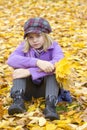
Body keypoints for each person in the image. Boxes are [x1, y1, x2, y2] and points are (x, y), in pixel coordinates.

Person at [7, 17, 64, 120]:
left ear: (46, 35)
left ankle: (50, 106)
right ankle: (18, 101)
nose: (34, 40)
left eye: (38, 36)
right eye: (30, 37)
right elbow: (11, 60)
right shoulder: (24, 46)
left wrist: (30, 71)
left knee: (53, 73)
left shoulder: (54, 47)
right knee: (18, 69)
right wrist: (37, 62)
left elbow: (59, 63)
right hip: (28, 89)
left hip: (47, 89)